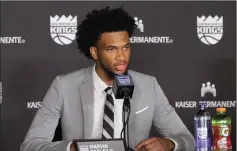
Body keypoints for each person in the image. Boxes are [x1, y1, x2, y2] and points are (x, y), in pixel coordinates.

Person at [20, 6, 195, 151]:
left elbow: (186, 139)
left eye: (126, 47)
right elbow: (30, 145)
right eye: (111, 49)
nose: (122, 57)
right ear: (94, 52)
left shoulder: (148, 85)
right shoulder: (64, 86)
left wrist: (169, 144)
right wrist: (72, 148)